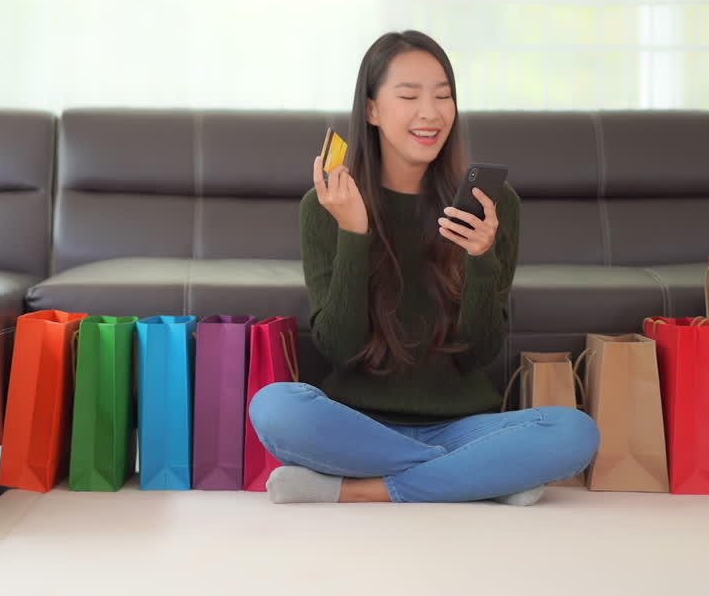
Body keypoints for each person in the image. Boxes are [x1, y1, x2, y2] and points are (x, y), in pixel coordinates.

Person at [248, 30, 601, 505]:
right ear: (372, 110)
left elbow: (481, 354)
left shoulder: (492, 205)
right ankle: (478, 478)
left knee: (573, 432)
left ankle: (361, 490)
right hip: (357, 424)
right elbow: (340, 348)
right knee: (275, 408)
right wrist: (354, 234)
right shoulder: (328, 204)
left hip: (462, 425)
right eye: (409, 96)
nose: (431, 113)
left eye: (443, 95)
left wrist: (481, 259)